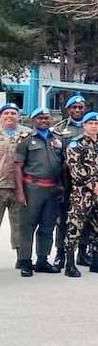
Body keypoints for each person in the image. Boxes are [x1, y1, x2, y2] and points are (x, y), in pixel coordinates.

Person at [65, 112, 98, 275]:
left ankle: (95, 261)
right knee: (75, 227)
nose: (94, 126)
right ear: (84, 125)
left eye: (96, 123)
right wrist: (92, 184)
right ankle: (70, 264)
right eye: (90, 123)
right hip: (82, 193)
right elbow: (74, 169)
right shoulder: (76, 144)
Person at [1, 103, 30, 267]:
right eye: (6, 113)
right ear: (1, 116)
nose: (9, 116)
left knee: (20, 224)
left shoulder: (27, 134)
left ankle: (22, 258)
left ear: (18, 116)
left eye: (13, 113)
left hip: (19, 186)